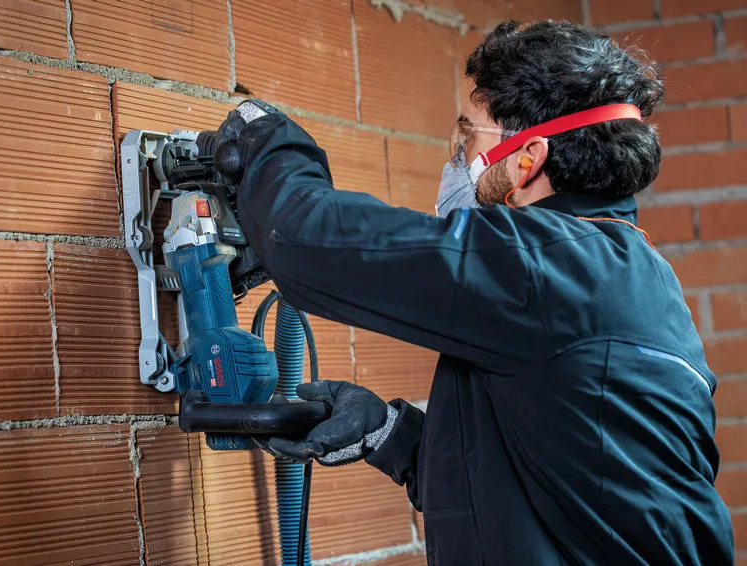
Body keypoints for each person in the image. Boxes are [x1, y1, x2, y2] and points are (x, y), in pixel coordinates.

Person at [213, 20, 734, 565]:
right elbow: (564, 489)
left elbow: (302, 241)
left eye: (467, 137)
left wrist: (268, 143)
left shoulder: (547, 266)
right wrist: (389, 434)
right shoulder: (619, 269)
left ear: (526, 160)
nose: (455, 159)